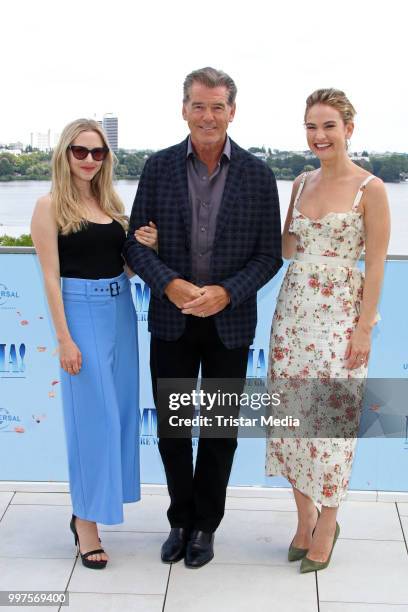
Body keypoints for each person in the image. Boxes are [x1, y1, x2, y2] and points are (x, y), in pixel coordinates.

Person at [124, 67, 282, 568]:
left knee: (217, 431)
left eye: (217, 106)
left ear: (232, 111)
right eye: (199, 105)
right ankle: (179, 519)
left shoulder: (257, 175)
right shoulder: (157, 167)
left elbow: (269, 255)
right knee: (173, 427)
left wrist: (225, 293)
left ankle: (205, 527)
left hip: (228, 323)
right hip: (171, 319)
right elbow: (134, 241)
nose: (208, 115)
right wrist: (168, 283)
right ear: (184, 109)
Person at [265, 89, 390, 573]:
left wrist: (363, 328)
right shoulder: (299, 182)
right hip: (293, 313)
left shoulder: (371, 188)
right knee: (292, 421)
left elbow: (376, 265)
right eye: (311, 127)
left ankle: (328, 520)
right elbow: (286, 248)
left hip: (341, 317)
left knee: (332, 426)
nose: (319, 136)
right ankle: (303, 519)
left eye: (329, 126)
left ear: (348, 130)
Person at [31, 119, 155, 569]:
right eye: (80, 151)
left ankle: (91, 509)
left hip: (120, 310)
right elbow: (50, 277)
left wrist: (144, 248)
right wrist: (64, 338)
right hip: (79, 314)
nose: (88, 160)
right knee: (93, 421)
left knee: (119, 415)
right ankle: (86, 524)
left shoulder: (111, 204)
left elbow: (124, 269)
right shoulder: (49, 207)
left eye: (98, 153)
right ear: (64, 154)